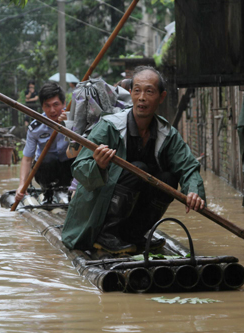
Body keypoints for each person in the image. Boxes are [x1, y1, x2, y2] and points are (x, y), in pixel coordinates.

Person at [62, 66, 206, 254]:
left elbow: (188, 167)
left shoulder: (167, 134)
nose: (142, 97)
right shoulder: (109, 126)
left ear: (161, 97)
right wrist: (98, 164)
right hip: (97, 213)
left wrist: (194, 192)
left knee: (169, 180)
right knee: (137, 169)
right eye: (137, 91)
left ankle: (134, 234)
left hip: (131, 215)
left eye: (149, 91)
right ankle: (106, 234)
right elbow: (80, 168)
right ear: (130, 93)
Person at [15, 82, 73, 203]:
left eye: (56, 105)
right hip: (46, 169)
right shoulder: (35, 127)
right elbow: (27, 159)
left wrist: (69, 125)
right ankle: (48, 194)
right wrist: (22, 185)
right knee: (46, 160)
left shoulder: (74, 122)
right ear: (42, 107)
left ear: (64, 104)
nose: (52, 110)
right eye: (47, 106)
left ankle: (72, 193)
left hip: (69, 168)